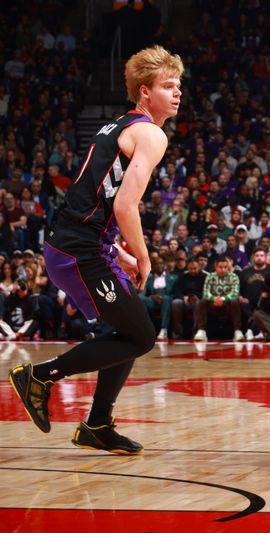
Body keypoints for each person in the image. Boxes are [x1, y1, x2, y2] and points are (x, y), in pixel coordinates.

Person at [8, 46, 184, 454]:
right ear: (144, 92)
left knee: (126, 332)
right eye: (168, 86)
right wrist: (142, 256)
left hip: (78, 244)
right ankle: (41, 376)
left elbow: (98, 200)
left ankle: (98, 425)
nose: (177, 94)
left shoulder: (118, 125)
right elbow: (123, 205)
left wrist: (119, 254)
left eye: (179, 86)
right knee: (141, 335)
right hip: (78, 249)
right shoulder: (151, 133)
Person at [193, 257, 245, 341]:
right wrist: (214, 299)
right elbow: (206, 293)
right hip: (213, 304)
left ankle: (237, 331)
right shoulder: (210, 276)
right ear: (216, 267)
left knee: (234, 301)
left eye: (225, 267)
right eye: (220, 267)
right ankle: (201, 330)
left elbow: (235, 293)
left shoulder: (234, 276)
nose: (223, 270)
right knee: (202, 301)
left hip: (227, 304)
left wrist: (223, 299)